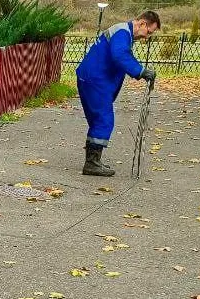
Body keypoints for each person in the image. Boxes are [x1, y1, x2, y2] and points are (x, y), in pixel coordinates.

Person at [76, 10, 160, 177]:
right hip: (96, 80)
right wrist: (141, 71)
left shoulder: (124, 32)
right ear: (142, 23)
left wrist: (140, 71)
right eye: (148, 32)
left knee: (98, 120)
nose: (147, 37)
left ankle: (93, 160)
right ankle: (91, 164)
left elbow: (122, 56)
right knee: (104, 120)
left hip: (92, 78)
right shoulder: (122, 32)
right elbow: (120, 55)